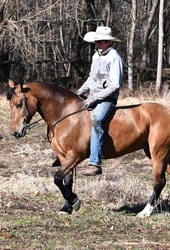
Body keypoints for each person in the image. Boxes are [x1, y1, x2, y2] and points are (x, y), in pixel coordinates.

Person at [77, 26, 124, 176]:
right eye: (96, 42)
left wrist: (96, 98)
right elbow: (92, 77)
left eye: (99, 42)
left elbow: (115, 85)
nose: (97, 44)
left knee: (97, 119)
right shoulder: (95, 56)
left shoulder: (114, 58)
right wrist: (80, 91)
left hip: (107, 99)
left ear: (108, 42)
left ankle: (95, 162)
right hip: (92, 96)